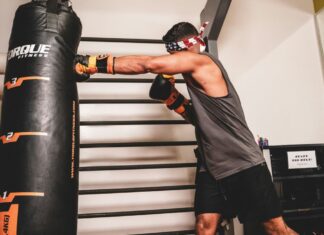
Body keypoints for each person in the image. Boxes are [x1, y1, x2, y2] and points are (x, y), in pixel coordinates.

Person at [73, 22, 298, 235]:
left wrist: (92, 63)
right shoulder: (194, 75)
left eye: (175, 56)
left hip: (241, 162)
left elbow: (149, 64)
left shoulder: (202, 62)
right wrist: (175, 101)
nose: (174, 62)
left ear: (190, 45)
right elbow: (200, 121)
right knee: (204, 226)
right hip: (211, 166)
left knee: (276, 230)